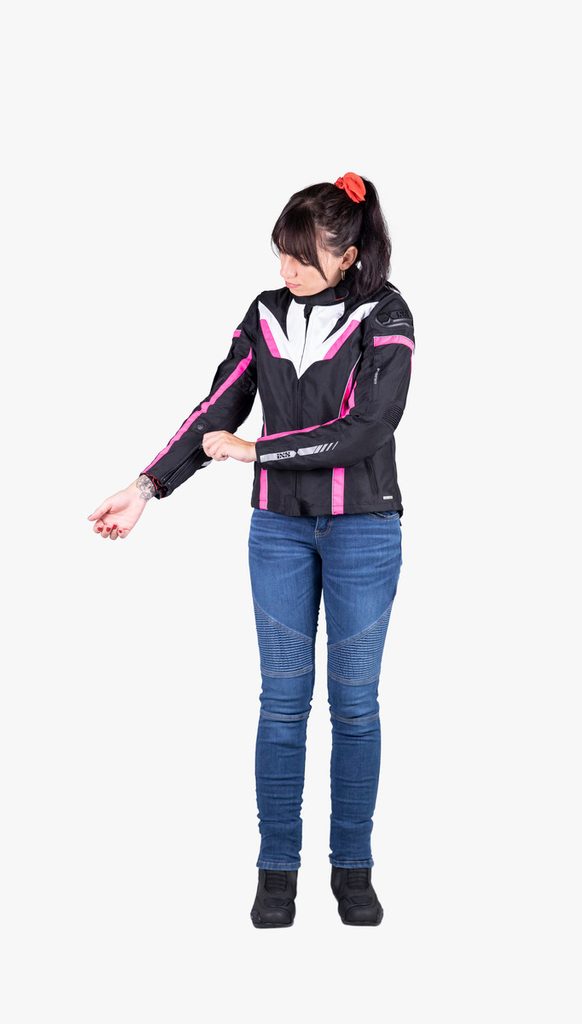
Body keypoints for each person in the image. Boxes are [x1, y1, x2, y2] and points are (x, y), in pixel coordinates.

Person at [87, 171, 415, 928]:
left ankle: (353, 868)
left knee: (355, 705)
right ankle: (276, 871)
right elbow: (218, 407)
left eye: (303, 256)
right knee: (282, 702)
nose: (286, 270)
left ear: (348, 255)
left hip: (364, 529)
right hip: (278, 531)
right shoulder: (265, 312)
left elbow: (369, 427)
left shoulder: (386, 313)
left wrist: (258, 451)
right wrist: (145, 486)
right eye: (281, 254)